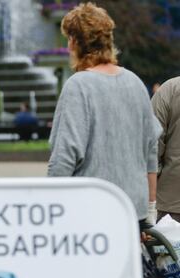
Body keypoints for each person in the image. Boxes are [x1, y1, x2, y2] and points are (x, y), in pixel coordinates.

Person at [48, 3, 160, 228]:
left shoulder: (78, 86)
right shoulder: (135, 83)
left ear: (74, 42)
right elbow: (151, 150)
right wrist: (150, 208)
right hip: (132, 212)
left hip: (91, 213)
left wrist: (50, 210)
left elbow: (64, 158)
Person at [151, 75, 180, 278]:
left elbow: (152, 142)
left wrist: (154, 177)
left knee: (166, 257)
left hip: (173, 194)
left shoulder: (170, 89)